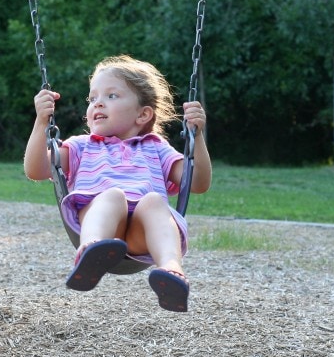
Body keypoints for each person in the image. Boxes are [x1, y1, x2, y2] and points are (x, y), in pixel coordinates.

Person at [24, 55, 212, 312]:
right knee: (112, 196)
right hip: (99, 224)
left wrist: (197, 136)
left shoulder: (156, 148)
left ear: (143, 114)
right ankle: (91, 250)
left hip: (140, 235)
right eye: (92, 98)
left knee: (154, 201)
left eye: (112, 96)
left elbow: (198, 183)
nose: (98, 102)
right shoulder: (81, 146)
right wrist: (40, 122)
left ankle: (171, 269)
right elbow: (36, 170)